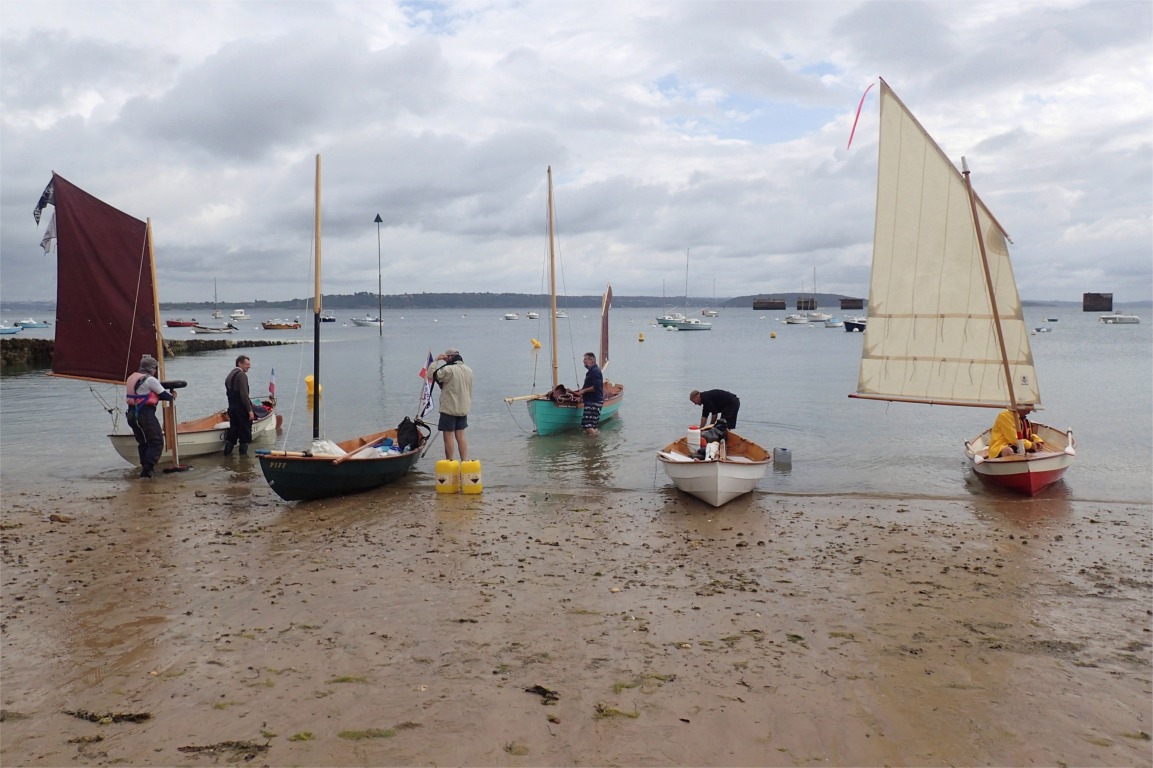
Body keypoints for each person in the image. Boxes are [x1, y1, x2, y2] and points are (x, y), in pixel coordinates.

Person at [125, 354, 176, 478]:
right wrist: (173, 395)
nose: (155, 371)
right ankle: (148, 469)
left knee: (143, 442)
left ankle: (145, 469)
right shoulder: (150, 380)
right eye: (155, 368)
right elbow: (165, 396)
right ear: (152, 368)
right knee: (157, 441)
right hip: (145, 415)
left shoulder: (131, 377)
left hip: (131, 414)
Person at [428, 347, 474, 461]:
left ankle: (450, 462)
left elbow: (431, 375)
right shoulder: (468, 370)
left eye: (446, 358)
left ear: (449, 357)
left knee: (448, 436)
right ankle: (464, 461)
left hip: (449, 409)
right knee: (461, 436)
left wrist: (436, 360)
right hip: (463, 408)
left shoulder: (448, 370)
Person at [223, 355, 255, 456]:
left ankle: (227, 456)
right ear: (239, 363)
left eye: (249, 365)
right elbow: (244, 394)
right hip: (242, 409)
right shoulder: (242, 375)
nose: (249, 367)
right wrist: (250, 410)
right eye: (247, 364)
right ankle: (243, 460)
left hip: (232, 408)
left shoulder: (229, 375)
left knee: (233, 432)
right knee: (245, 433)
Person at [572, 352, 604, 436]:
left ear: (591, 360)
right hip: (592, 400)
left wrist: (583, 391)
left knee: (587, 424)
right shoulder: (592, 371)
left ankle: (593, 443)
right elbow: (590, 385)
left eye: (585, 359)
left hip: (594, 401)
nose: (583, 361)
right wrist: (581, 397)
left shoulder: (595, 371)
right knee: (592, 425)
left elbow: (596, 387)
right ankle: (595, 443)